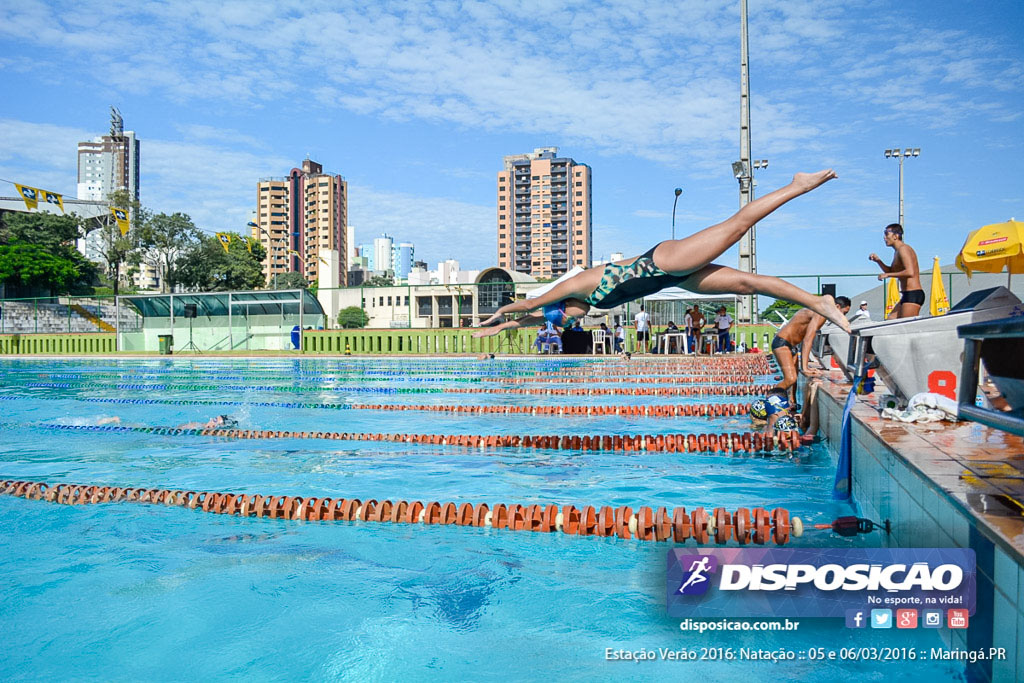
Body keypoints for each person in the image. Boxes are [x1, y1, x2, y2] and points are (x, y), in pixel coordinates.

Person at [473, 170, 851, 338]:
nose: (575, 320)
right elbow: (534, 320)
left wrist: (495, 316)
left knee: (736, 227)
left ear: (567, 304)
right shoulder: (576, 309)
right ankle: (819, 302)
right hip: (679, 278)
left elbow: (528, 305)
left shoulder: (578, 284)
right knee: (748, 284)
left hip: (663, 262)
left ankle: (796, 185)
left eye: (568, 317)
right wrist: (497, 331)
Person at [771, 296, 852, 406]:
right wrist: (805, 367)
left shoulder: (818, 310)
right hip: (782, 343)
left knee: (793, 380)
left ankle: (792, 402)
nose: (843, 317)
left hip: (791, 345)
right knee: (790, 379)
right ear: (837, 307)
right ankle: (768, 402)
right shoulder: (820, 313)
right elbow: (808, 339)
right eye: (843, 313)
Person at [870, 223, 922, 319]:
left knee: (905, 328)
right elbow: (891, 271)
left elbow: (910, 272)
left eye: (886, 234)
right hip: (906, 294)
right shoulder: (897, 252)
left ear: (895, 236)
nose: (884, 238)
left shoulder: (903, 249)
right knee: (890, 321)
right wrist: (878, 261)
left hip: (913, 293)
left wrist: (888, 275)